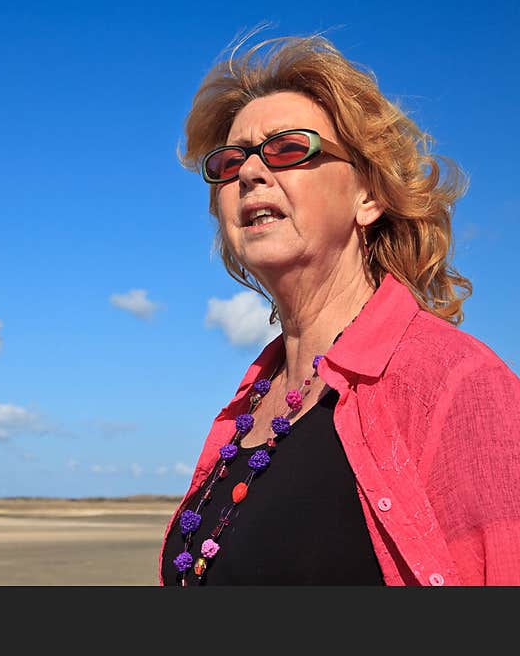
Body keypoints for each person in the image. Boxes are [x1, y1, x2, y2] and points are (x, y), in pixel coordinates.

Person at [159, 33, 520, 586]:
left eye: (287, 148)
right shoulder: (256, 395)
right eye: (231, 162)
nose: (250, 173)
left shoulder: (457, 384)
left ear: (368, 195)